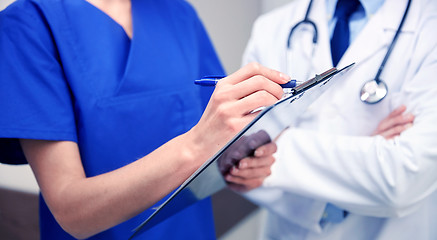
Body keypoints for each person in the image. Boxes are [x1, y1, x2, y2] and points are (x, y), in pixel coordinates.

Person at [0, 0, 290, 239]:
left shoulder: (178, 12)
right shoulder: (29, 23)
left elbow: (216, 141)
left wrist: (239, 166)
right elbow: (71, 211)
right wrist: (194, 147)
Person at [242, 0, 437, 239]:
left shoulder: (430, 27)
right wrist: (369, 154)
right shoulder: (272, 28)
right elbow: (238, 166)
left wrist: (272, 152)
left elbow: (404, 178)